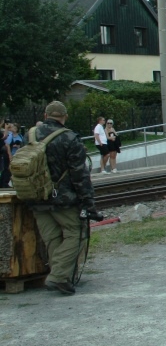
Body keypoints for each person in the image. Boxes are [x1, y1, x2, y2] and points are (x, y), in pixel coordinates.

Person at [27, 101, 97, 296]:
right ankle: (58, 276)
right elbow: (79, 175)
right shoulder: (69, 138)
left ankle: (63, 277)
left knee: (52, 238)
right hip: (63, 198)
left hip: (36, 196)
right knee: (75, 234)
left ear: (45, 115)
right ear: (64, 116)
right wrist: (88, 202)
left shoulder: (31, 135)